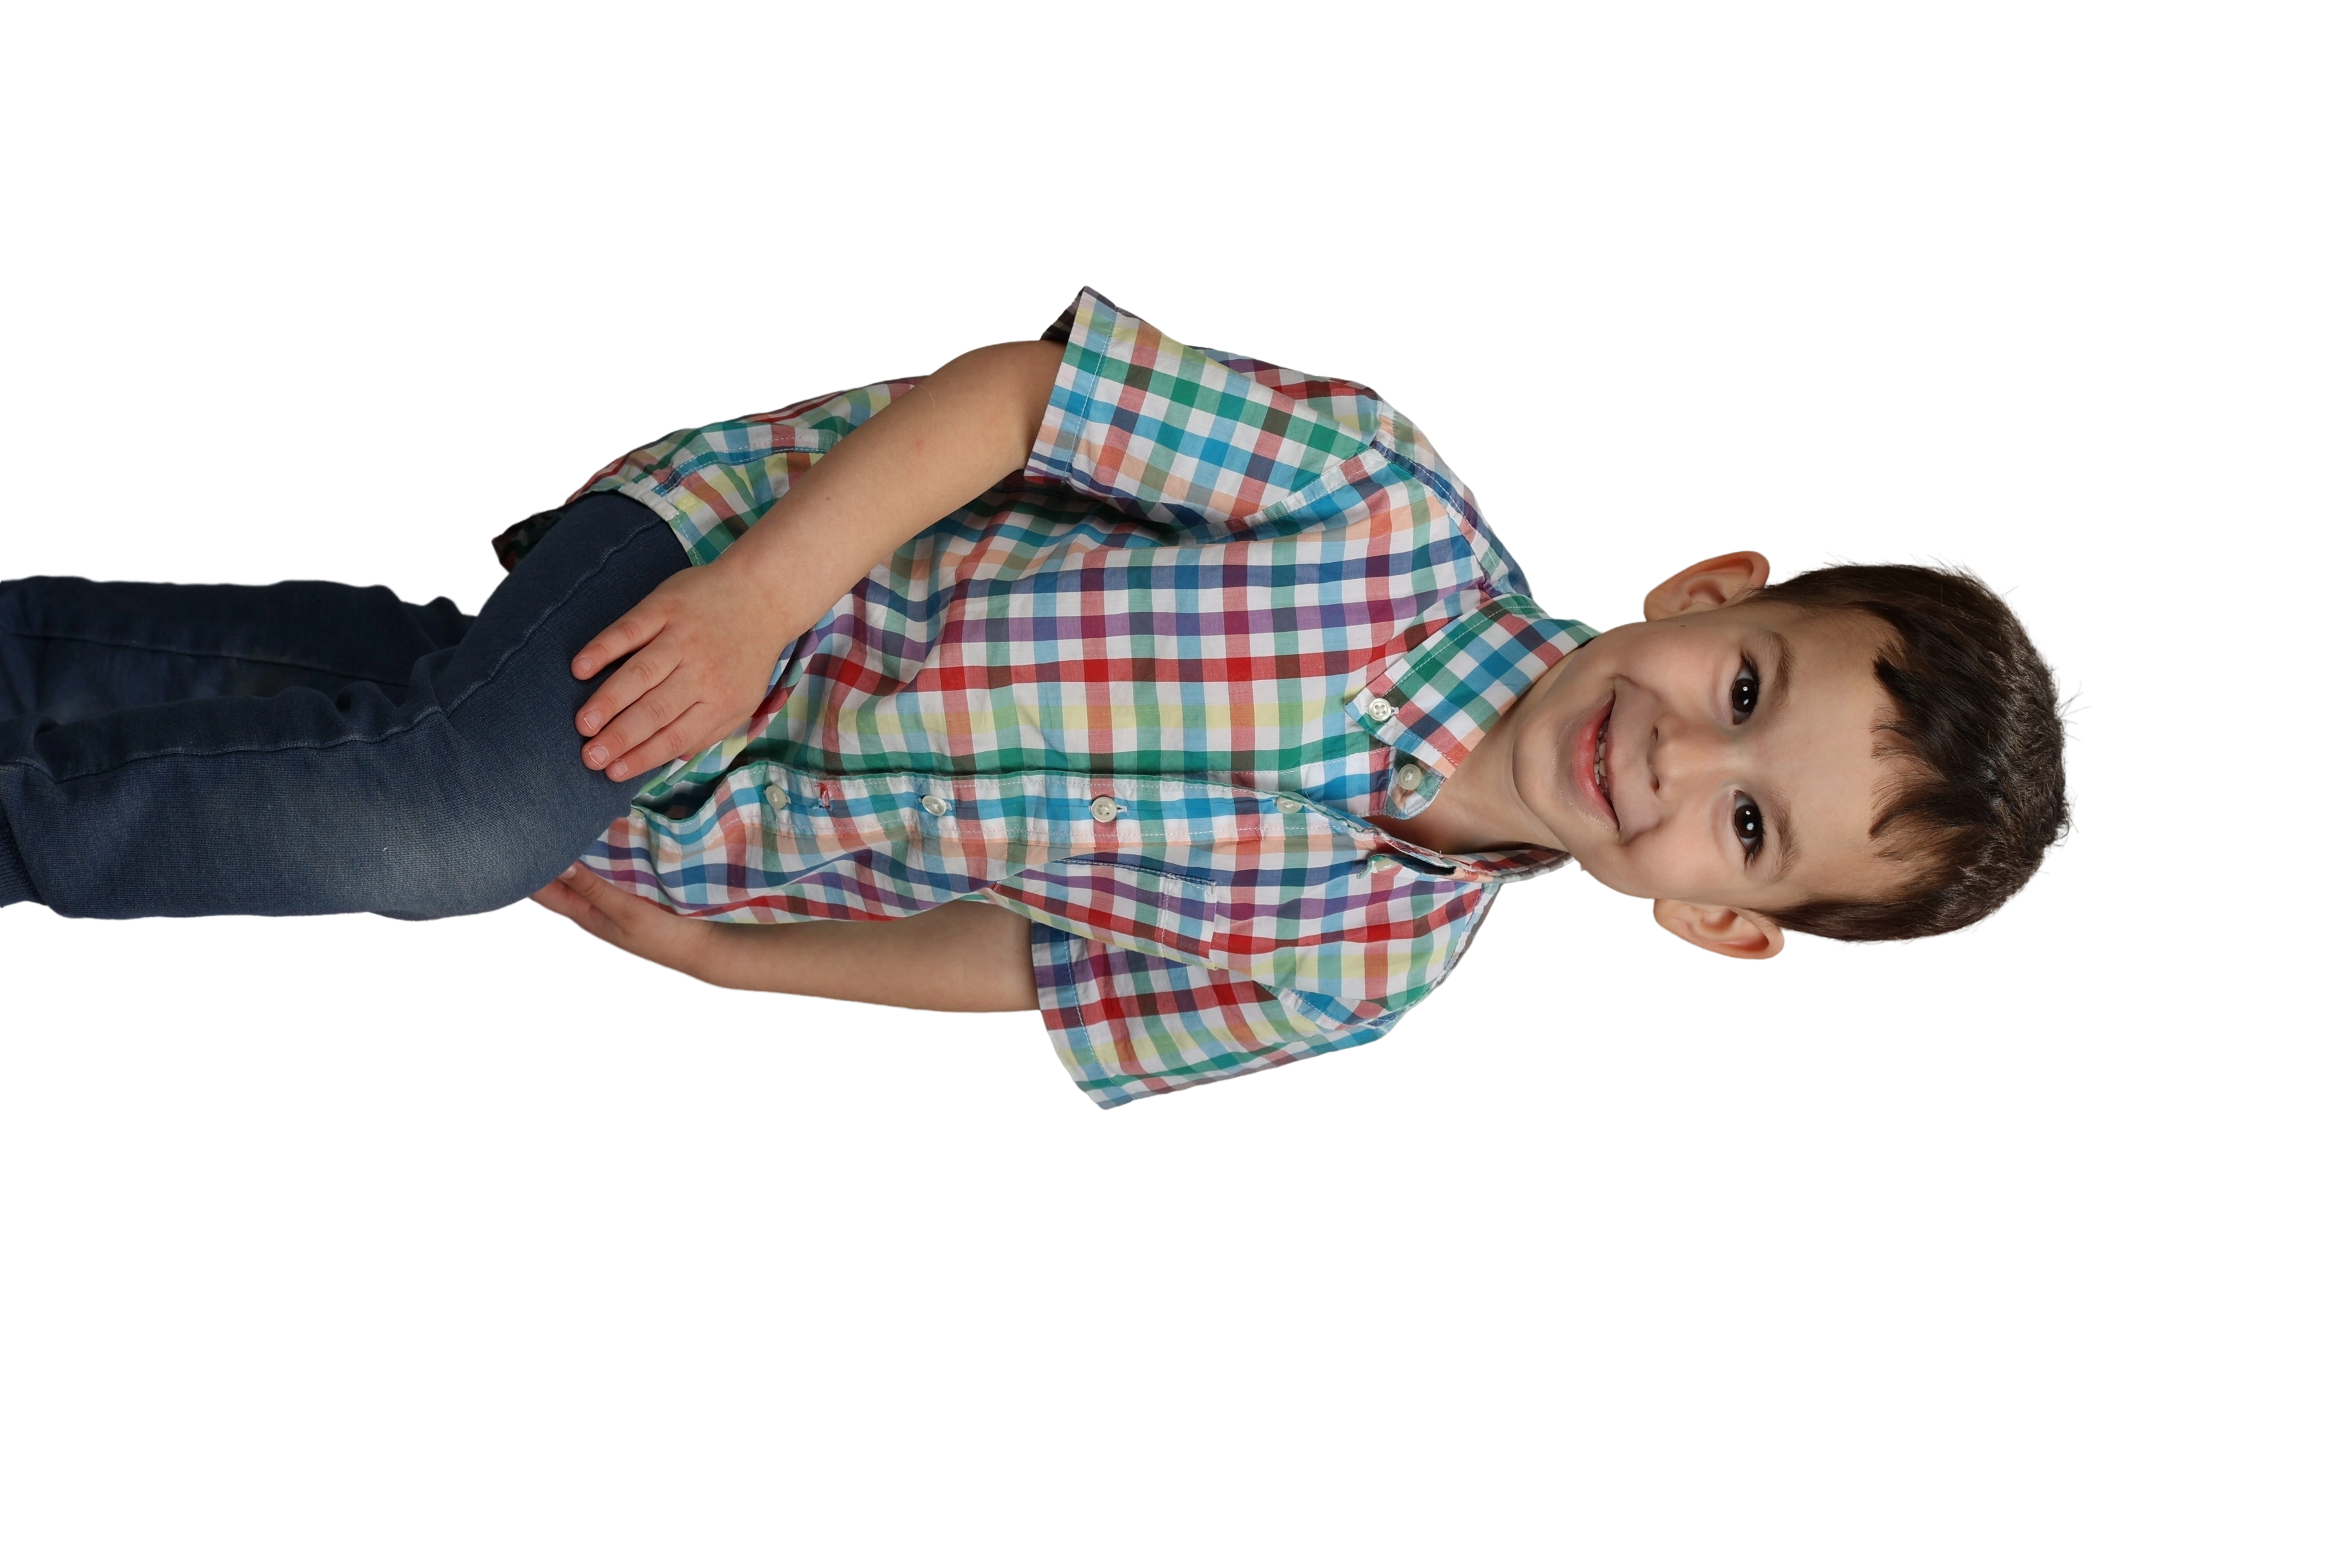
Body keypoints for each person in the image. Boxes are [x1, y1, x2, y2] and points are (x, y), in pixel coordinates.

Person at [0, 286, 2083, 1112]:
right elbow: (1024, 394)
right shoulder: (1380, 505)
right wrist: (757, 599)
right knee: (435, 823)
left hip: (693, 817)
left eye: (1747, 822)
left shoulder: (1353, 974)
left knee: (352, 713)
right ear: (1712, 591)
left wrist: (732, 958)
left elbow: (1026, 969)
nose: (1681, 758)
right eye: (1742, 686)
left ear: (1719, 921)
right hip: (723, 577)